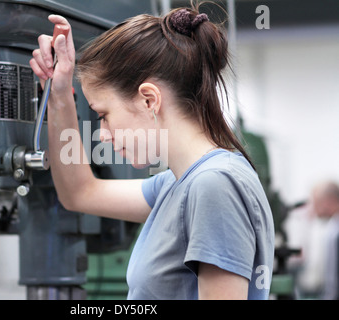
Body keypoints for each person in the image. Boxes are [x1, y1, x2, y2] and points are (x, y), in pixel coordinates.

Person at [29, 3, 275, 300]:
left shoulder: (214, 184)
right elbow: (79, 193)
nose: (103, 136)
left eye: (103, 116)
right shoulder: (175, 185)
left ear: (149, 100)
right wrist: (58, 95)